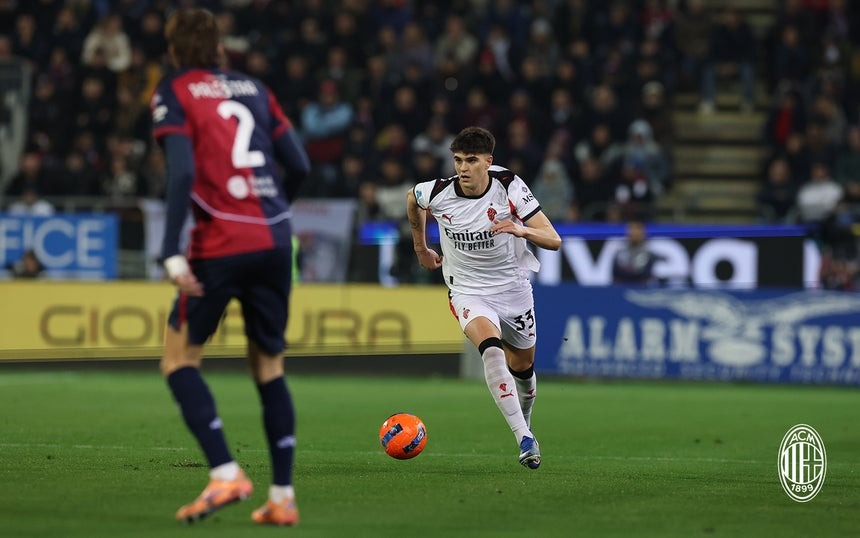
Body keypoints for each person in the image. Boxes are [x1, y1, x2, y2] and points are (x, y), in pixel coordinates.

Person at [151, 8, 310, 526]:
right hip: (274, 239)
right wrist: (272, 212)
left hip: (218, 242)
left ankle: (225, 473)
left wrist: (171, 251)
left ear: (174, 50)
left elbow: (181, 173)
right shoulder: (256, 89)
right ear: (219, 48)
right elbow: (299, 163)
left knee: (179, 360)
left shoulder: (174, 90)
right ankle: (282, 497)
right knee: (269, 367)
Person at [405, 126, 561, 469]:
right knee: (491, 350)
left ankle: (526, 422)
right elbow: (413, 199)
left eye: (471, 160)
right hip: (467, 291)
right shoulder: (438, 192)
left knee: (523, 369)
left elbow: (554, 240)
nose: (463, 168)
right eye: (458, 160)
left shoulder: (509, 186)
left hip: (513, 290)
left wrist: (520, 229)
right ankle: (523, 438)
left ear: (488, 162)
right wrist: (421, 248)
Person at [612, 221, 659, 286]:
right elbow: (615, 275)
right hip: (622, 288)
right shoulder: (619, 252)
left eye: (637, 229)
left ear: (643, 232)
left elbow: (648, 276)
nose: (634, 232)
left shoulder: (650, 253)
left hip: (642, 288)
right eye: (631, 229)